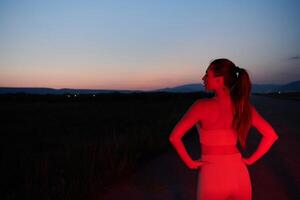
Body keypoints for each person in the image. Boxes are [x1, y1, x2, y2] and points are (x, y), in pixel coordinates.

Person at [169, 58, 279, 200]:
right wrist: (250, 160)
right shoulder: (243, 107)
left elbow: (174, 137)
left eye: (207, 74)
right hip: (240, 174)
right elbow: (271, 135)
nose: (203, 78)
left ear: (219, 80)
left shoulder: (201, 105)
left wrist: (190, 162)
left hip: (212, 175)